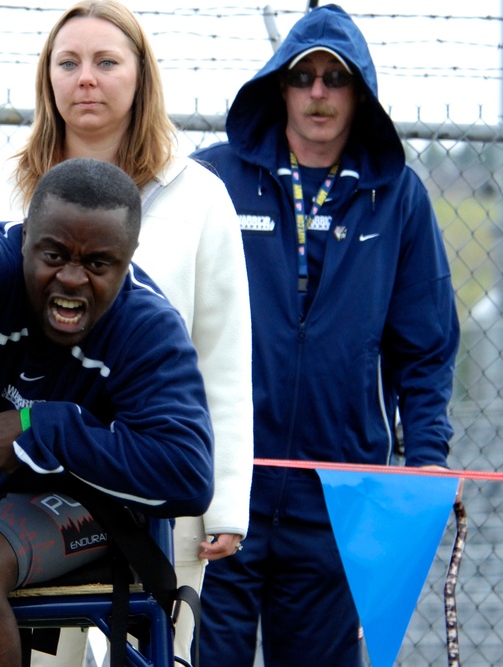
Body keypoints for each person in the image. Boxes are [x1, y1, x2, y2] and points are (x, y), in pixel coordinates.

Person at [0, 0, 254, 660]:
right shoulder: (0, 185)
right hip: (25, 477)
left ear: (141, 75)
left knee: (153, 651)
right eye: (68, 62)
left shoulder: (200, 194)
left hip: (148, 475)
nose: (85, 77)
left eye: (106, 61)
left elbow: (224, 357)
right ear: (47, 78)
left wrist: (226, 502)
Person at [190, 6, 460, 665]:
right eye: (302, 76)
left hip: (339, 494)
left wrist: (425, 458)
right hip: (219, 485)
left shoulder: (398, 198)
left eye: (334, 79)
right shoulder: (212, 181)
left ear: (359, 92)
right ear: (278, 85)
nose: (317, 92)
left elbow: (423, 347)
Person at [0, 157, 215, 667]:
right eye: (53, 254)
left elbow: (187, 472)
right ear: (25, 237)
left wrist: (37, 428)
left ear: (129, 258)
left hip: (77, 501)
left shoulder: (147, 325)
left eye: (97, 264)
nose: (71, 278)